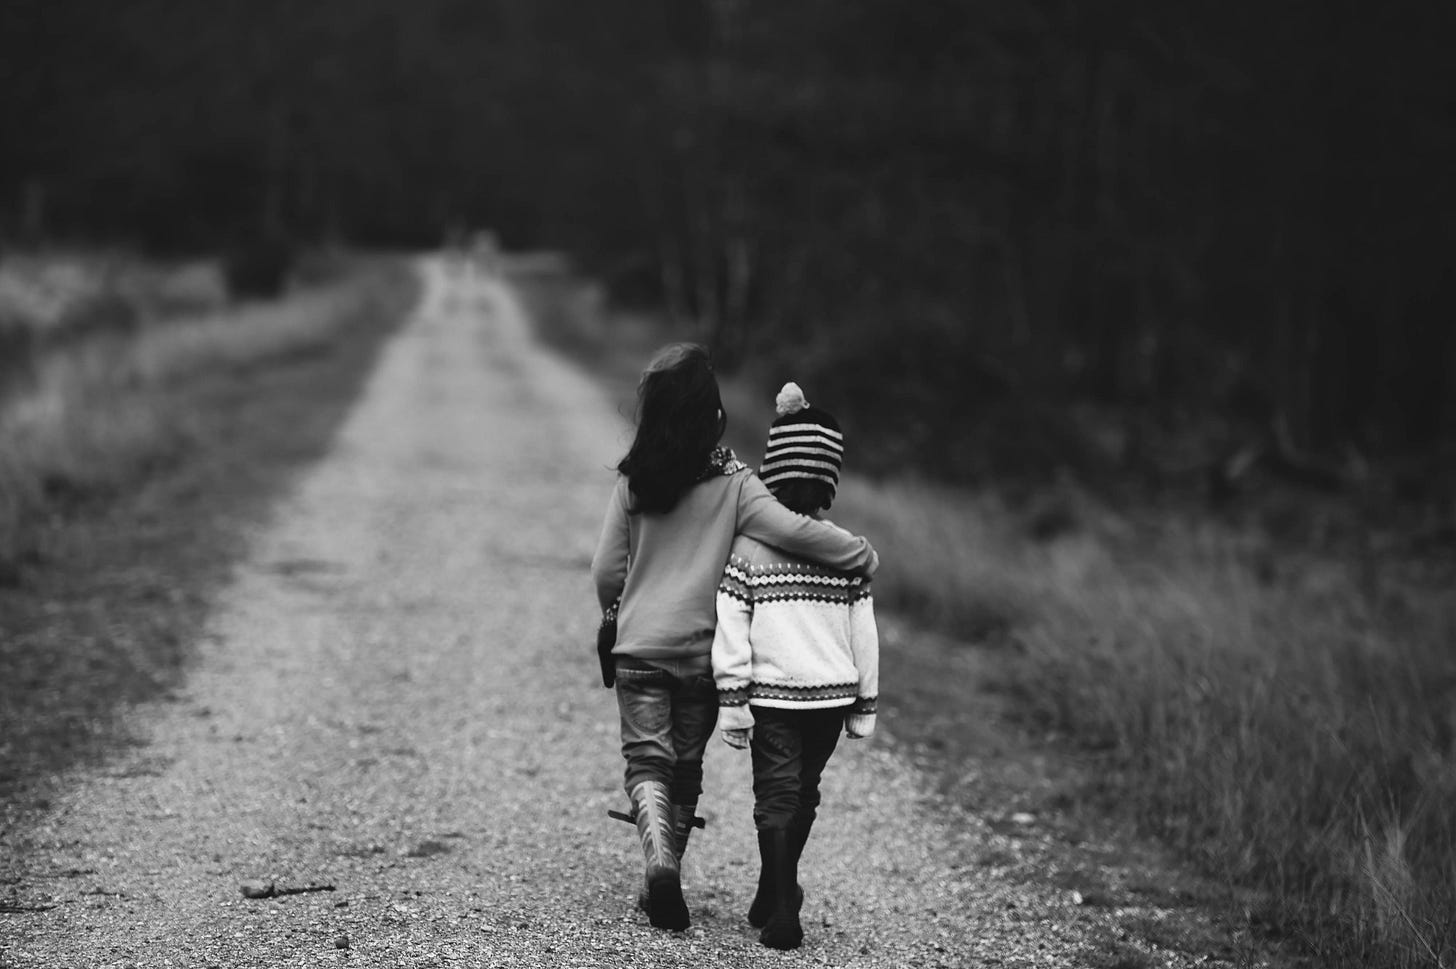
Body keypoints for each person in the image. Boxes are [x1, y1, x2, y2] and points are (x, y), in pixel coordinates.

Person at [591, 347, 878, 933]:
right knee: (686, 768)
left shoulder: (634, 482)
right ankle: (669, 868)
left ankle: (660, 862)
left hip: (640, 649)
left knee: (647, 760)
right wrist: (860, 554)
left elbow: (605, 571)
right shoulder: (737, 484)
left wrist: (620, 614)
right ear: (712, 416)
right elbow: (794, 531)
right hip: (701, 655)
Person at [710, 382, 880, 951]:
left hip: (773, 698)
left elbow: (731, 628)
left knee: (776, 796)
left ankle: (782, 905)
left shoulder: (749, 549)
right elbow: (865, 634)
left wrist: (732, 702)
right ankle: (774, 889)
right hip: (830, 699)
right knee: (804, 793)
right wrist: (865, 703)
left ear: (771, 474)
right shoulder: (844, 552)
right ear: (829, 482)